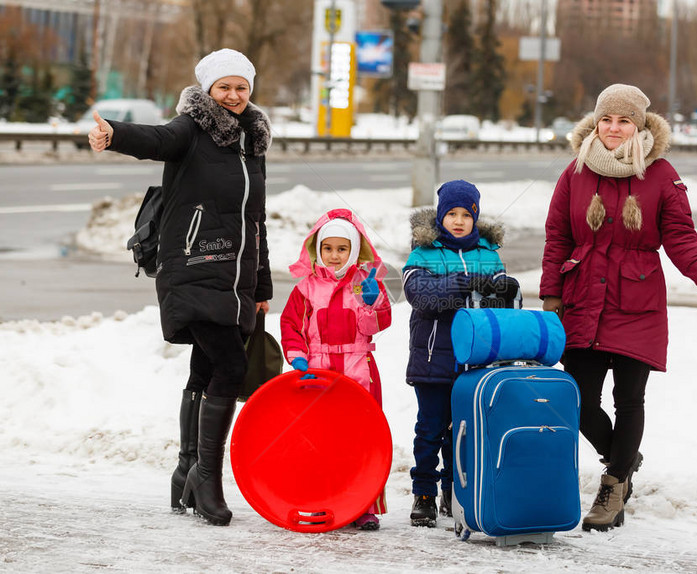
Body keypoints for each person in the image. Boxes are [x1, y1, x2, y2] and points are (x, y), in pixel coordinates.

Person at [541, 84, 697, 532]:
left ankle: (612, 486)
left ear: (640, 125)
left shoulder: (662, 174)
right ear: (595, 122)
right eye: (607, 119)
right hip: (582, 298)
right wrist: (552, 294)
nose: (614, 128)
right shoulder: (574, 173)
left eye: (624, 120)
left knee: (629, 400)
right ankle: (624, 458)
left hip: (637, 300)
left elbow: (682, 238)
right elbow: (558, 238)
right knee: (576, 400)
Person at [88, 48, 273, 526]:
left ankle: (187, 470)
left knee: (205, 368)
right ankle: (208, 481)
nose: (233, 96)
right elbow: (157, 139)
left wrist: (261, 282)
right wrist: (114, 134)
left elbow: (255, 220)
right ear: (208, 89)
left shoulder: (252, 141)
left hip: (234, 277)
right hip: (192, 266)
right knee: (230, 366)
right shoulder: (190, 129)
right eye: (224, 87)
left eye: (241, 87)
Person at [402, 179, 519, 527]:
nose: (457, 220)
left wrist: (504, 291)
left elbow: (501, 312)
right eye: (450, 213)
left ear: (475, 217)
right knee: (430, 429)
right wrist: (465, 283)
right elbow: (421, 296)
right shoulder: (422, 253)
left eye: (465, 214)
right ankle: (424, 492)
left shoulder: (489, 255)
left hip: (475, 364)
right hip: (432, 360)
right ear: (440, 217)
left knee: (464, 432)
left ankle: (456, 492)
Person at [279, 208, 391, 531]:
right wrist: (298, 356)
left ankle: (364, 504)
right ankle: (318, 500)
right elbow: (291, 325)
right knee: (318, 440)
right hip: (318, 375)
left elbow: (377, 324)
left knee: (361, 440)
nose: (334, 255)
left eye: (342, 249)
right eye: (328, 248)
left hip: (359, 372)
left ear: (353, 250)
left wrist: (373, 302)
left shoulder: (364, 284)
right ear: (318, 250)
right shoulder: (306, 288)